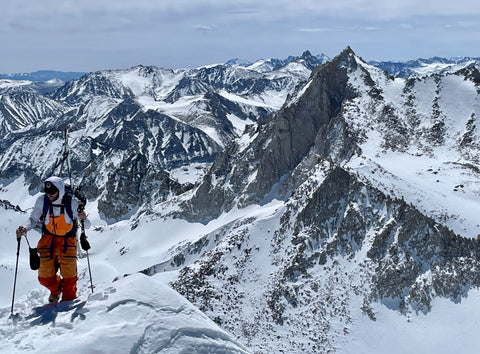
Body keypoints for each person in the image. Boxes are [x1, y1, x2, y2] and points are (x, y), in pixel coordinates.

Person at [16, 176, 90, 303]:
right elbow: (33, 219)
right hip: (48, 239)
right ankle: (56, 290)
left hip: (68, 241)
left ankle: (68, 303)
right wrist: (25, 229)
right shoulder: (42, 201)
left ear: (60, 190)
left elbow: (87, 225)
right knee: (44, 277)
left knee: (69, 278)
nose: (49, 195)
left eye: (52, 192)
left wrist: (83, 218)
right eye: (47, 192)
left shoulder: (71, 202)